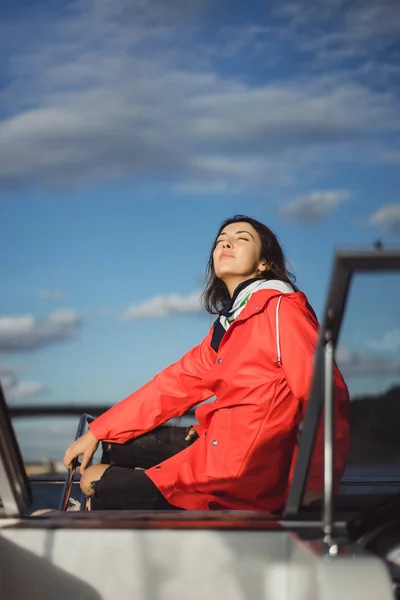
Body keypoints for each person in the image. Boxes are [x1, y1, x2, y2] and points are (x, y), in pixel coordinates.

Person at [63, 215, 350, 513]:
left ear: (264, 263)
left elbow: (326, 397)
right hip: (217, 449)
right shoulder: (230, 324)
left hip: (240, 479)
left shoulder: (282, 311)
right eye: (221, 240)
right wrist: (99, 431)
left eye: (242, 238)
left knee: (92, 483)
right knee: (111, 446)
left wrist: (316, 487)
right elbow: (173, 385)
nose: (226, 242)